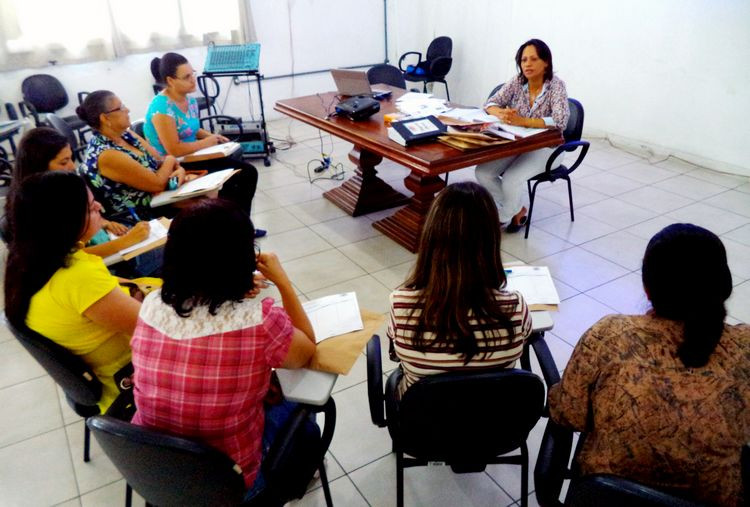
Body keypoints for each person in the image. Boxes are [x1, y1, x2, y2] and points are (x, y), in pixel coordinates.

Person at [548, 223, 750, 506]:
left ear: (647, 287)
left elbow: (569, 414)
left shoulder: (609, 335)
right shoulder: (745, 348)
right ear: (724, 285)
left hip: (605, 498)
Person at [131, 199, 317, 498]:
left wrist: (227, 288)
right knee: (303, 406)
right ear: (243, 258)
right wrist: (283, 282)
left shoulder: (151, 305)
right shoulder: (259, 321)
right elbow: (307, 350)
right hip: (228, 483)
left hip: (155, 471)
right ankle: (297, 476)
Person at [4, 171, 142, 415]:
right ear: (64, 222)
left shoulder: (29, 262)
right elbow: (157, 330)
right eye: (89, 208)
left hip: (105, 376)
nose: (99, 206)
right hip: (131, 384)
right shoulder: (77, 278)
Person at [387, 181, 532, 398]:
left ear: (430, 237)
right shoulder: (516, 307)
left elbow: (396, 356)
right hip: (495, 423)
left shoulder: (400, 305)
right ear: (491, 240)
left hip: (422, 427)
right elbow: (526, 339)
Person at [144, 52, 264, 237]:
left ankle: (240, 228)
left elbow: (192, 129)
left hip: (193, 156)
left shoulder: (189, 100)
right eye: (187, 77)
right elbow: (173, 149)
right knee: (240, 176)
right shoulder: (161, 107)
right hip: (175, 165)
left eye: (193, 73)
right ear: (170, 80)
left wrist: (212, 136)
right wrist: (208, 142)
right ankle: (232, 230)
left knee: (245, 173)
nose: (193, 80)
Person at [6, 126, 151, 261]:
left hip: (106, 250)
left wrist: (103, 223)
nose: (71, 167)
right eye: (63, 162)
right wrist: (126, 241)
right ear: (39, 166)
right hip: (104, 266)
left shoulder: (59, 188)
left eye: (71, 158)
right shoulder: (37, 207)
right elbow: (68, 259)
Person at [475, 39, 570, 233]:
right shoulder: (518, 81)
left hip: (549, 148)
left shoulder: (556, 86)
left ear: (546, 63)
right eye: (523, 60)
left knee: (511, 179)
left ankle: (499, 219)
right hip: (518, 143)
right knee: (483, 172)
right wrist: (500, 113)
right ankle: (517, 210)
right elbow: (491, 102)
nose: (527, 64)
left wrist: (523, 121)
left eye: (533, 59)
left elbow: (561, 120)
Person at [76, 90, 187, 221]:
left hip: (162, 198)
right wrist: (171, 159)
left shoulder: (125, 134)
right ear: (105, 118)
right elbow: (157, 183)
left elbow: (159, 161)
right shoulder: (106, 154)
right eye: (121, 108)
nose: (127, 110)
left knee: (208, 199)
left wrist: (179, 169)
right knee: (202, 206)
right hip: (142, 215)